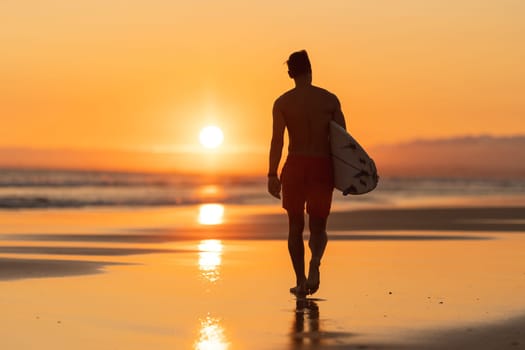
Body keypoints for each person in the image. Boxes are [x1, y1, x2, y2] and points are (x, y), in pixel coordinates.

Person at [268, 50, 346, 297]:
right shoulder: (330, 100)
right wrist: (346, 177)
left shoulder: (282, 103)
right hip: (322, 167)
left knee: (294, 226)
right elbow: (343, 142)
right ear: (311, 69)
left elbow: (277, 141)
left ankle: (301, 282)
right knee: (319, 226)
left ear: (290, 73)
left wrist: (272, 174)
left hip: (295, 166)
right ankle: (315, 265)